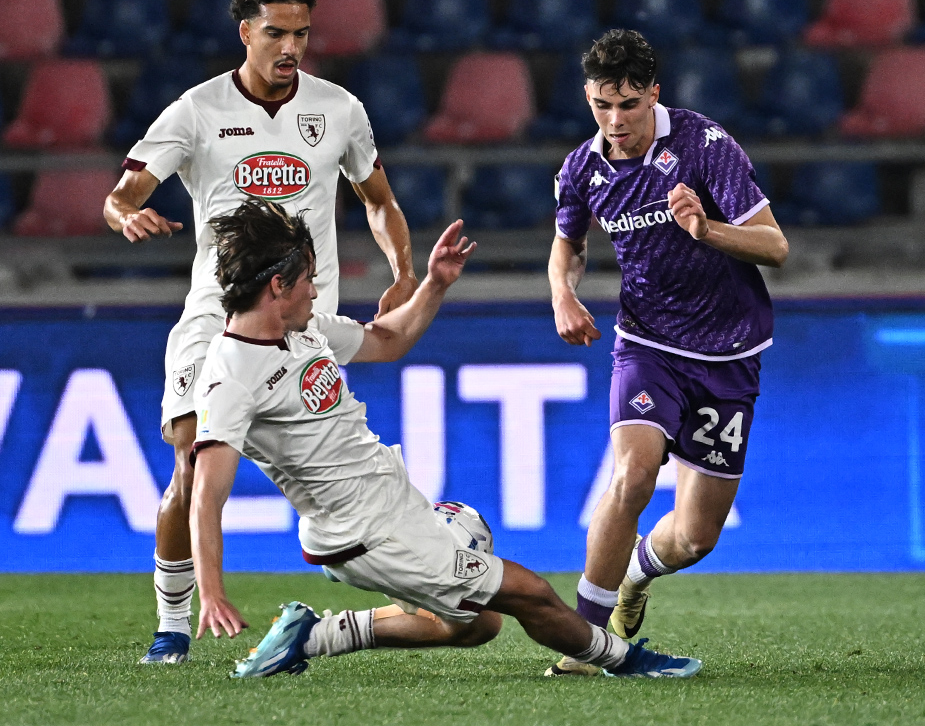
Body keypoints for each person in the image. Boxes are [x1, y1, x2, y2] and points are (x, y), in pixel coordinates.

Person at [188, 198, 701, 681]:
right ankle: (627, 659)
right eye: (307, 281)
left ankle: (313, 635)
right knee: (532, 593)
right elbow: (206, 494)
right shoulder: (231, 376)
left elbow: (387, 340)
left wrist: (433, 283)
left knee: (476, 624)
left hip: (393, 506)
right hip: (369, 534)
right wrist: (210, 591)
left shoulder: (300, 330)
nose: (316, 291)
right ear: (277, 286)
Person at [101, 0, 419, 665]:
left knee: (335, 469)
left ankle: (394, 583)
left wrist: (404, 269)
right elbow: (123, 191)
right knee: (189, 462)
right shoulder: (196, 110)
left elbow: (378, 200)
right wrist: (127, 215)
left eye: (301, 33)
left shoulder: (338, 109)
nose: (290, 47)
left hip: (306, 325)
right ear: (245, 31)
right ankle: (173, 625)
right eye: (276, 32)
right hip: (216, 321)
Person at [546, 29, 789, 675]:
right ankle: (587, 644)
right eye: (601, 105)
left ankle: (634, 577)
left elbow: (775, 246)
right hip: (647, 344)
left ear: (654, 94)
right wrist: (561, 295)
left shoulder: (705, 147)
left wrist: (705, 229)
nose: (615, 120)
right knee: (630, 477)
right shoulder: (583, 169)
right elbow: (567, 243)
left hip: (729, 352)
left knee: (693, 536)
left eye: (628, 104)